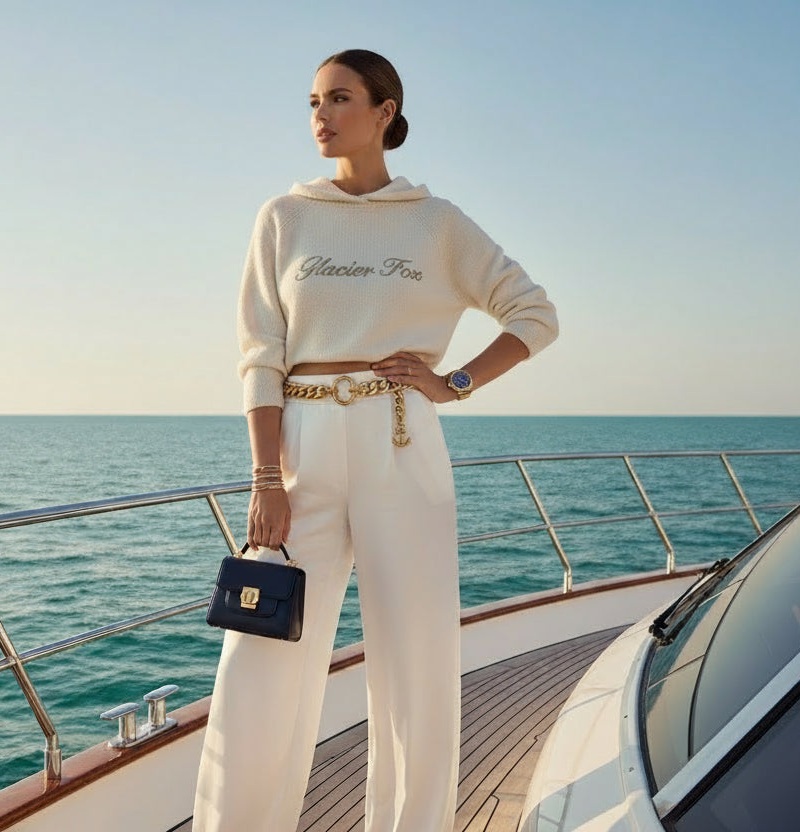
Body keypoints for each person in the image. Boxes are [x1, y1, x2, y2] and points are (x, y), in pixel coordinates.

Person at [192, 48, 559, 832]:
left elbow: (534, 314)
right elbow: (259, 355)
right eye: (313, 101)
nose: (320, 115)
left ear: (385, 111)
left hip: (401, 438)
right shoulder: (284, 217)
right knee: (260, 651)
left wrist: (454, 383)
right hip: (302, 447)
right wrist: (265, 479)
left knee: (417, 659)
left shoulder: (436, 222)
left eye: (340, 98)